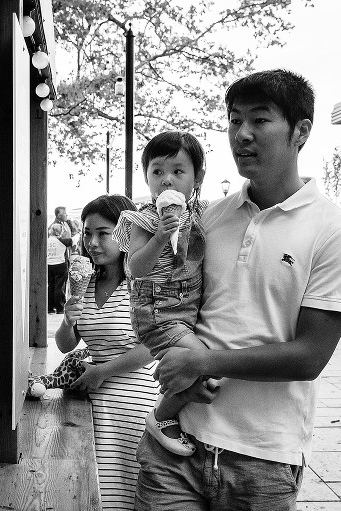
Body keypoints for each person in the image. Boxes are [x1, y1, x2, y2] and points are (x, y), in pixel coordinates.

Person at [135, 69, 341, 510]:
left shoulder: (336, 233)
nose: (241, 134)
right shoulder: (207, 219)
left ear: (300, 132)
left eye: (259, 121)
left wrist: (202, 361)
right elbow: (169, 301)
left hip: (264, 460)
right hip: (176, 444)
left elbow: (309, 356)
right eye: (233, 120)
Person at [52, 194, 212, 510]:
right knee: (96, 494)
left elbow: (156, 342)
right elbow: (65, 344)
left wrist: (103, 371)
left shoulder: (144, 281)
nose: (93, 242)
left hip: (136, 404)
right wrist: (69, 322)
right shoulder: (83, 282)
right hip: (93, 407)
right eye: (87, 233)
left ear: (125, 231)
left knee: (131, 494)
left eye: (103, 233)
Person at [112, 131, 211, 456]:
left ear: (197, 178)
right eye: (157, 172)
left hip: (185, 314)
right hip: (157, 316)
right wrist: (158, 237)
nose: (167, 180)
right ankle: (160, 416)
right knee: (204, 365)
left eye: (178, 172)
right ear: (147, 177)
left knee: (203, 372)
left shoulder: (199, 215)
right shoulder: (143, 220)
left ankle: (174, 403)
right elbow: (136, 268)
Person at [46, 224, 68, 314]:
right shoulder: (62, 241)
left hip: (49, 264)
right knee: (59, 287)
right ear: (59, 232)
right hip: (60, 264)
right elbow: (74, 241)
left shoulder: (46, 241)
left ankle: (50, 308)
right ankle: (59, 308)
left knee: (50, 286)